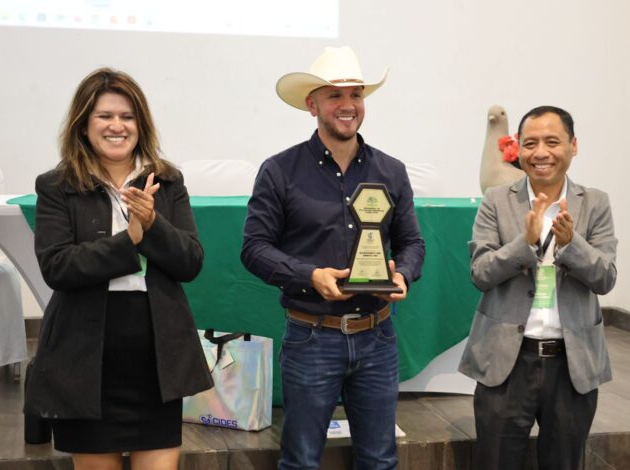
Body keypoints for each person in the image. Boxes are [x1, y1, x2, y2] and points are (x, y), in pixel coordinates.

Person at [241, 46, 425, 470]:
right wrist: (310, 275)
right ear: (312, 105)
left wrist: (405, 274)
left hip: (378, 337)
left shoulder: (392, 171)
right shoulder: (279, 170)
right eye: (335, 96)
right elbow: (254, 249)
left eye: (356, 95)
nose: (348, 106)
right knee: (302, 461)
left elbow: (412, 243)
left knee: (379, 460)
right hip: (311, 337)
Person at [23, 68, 212, 470]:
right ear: (83, 125)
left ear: (140, 125)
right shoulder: (57, 185)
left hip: (156, 360)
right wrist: (130, 240)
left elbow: (190, 262)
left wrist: (154, 224)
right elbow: (58, 266)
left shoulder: (167, 181)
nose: (116, 126)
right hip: (85, 362)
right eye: (104, 116)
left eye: (127, 117)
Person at [458, 106, 618, 469]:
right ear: (518, 149)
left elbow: (606, 277)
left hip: (571, 364)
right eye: (530, 143)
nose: (541, 153)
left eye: (552, 142)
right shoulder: (497, 200)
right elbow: (480, 273)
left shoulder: (594, 203)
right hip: (506, 363)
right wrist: (525, 244)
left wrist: (571, 243)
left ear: (573, 146)